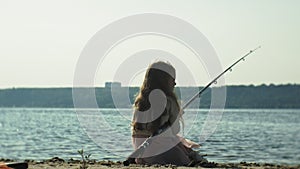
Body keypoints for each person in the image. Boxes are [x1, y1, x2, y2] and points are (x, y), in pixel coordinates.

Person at [130, 61, 205, 166]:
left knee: (173, 140)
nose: (175, 83)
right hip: (163, 152)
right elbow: (175, 130)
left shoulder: (140, 103)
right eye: (172, 79)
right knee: (177, 143)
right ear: (164, 81)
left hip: (142, 151)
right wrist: (176, 117)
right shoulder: (169, 101)